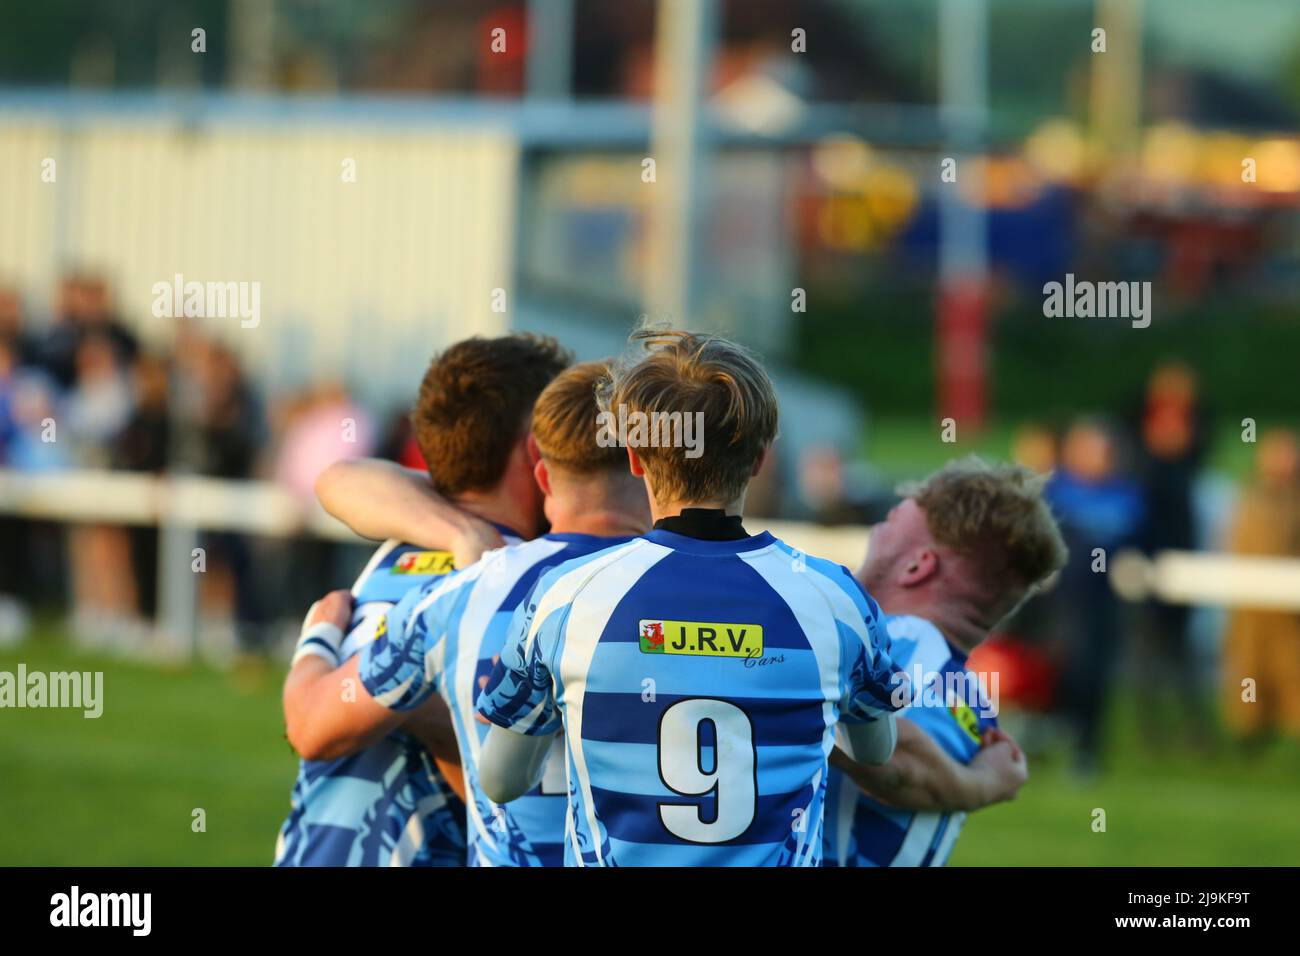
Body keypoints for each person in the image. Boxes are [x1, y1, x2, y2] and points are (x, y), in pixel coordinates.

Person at [474, 329, 908, 866]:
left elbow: (500, 782)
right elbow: (876, 750)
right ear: (759, 460)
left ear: (633, 457)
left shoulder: (567, 596)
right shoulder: (834, 599)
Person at [287, 361, 650, 865]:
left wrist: (323, 643)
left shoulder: (432, 566)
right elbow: (340, 479)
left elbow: (308, 726)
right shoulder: (613, 588)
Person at [825, 458, 1068, 866]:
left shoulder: (902, 641)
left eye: (887, 523)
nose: (876, 534)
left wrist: (984, 786)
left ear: (918, 565)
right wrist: (985, 784)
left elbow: (896, 762)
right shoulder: (969, 700)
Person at [1221, 429, 1300, 749]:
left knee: (1291, 667)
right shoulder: (1249, 497)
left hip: (1289, 606)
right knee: (1250, 669)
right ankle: (1249, 734)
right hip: (1251, 605)